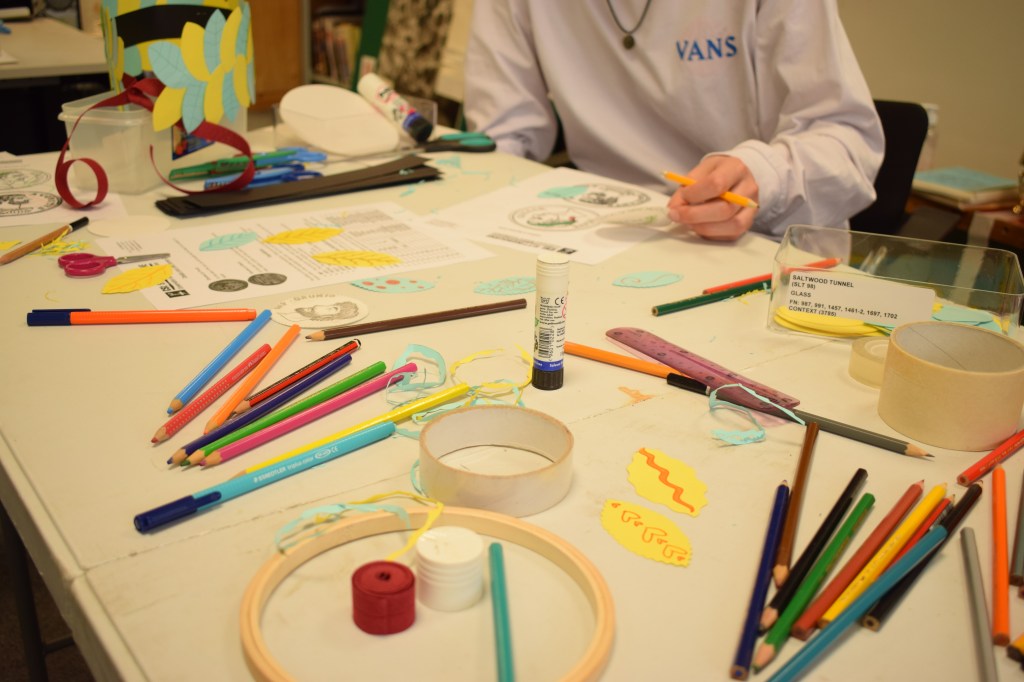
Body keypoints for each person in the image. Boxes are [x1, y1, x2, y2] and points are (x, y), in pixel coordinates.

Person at [463, 1, 884, 241]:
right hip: (605, 234)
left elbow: (848, 144)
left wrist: (763, 174)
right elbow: (502, 138)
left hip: (765, 245)